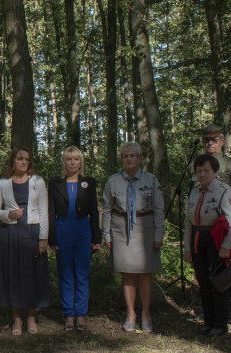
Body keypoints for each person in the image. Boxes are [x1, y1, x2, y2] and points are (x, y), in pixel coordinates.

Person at [102, 142, 165, 333]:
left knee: (145, 273)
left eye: (132, 156)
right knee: (127, 273)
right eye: (125, 156)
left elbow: (159, 209)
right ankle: (131, 313)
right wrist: (107, 233)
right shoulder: (113, 181)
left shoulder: (151, 180)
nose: (129, 159)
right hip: (120, 228)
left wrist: (158, 233)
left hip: (145, 226)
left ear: (139, 158)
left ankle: (146, 312)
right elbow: (106, 209)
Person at [0, 147, 49, 335]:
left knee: (33, 273)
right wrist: (8, 214)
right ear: (13, 162)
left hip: (32, 231)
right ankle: (16, 318)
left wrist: (43, 238)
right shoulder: (3, 184)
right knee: (12, 274)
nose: (24, 162)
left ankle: (31, 316)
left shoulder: (38, 182)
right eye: (20, 159)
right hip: (10, 233)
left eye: (27, 159)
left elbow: (44, 211)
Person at [184, 154, 231, 336]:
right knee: (202, 281)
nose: (202, 175)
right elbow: (188, 221)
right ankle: (208, 321)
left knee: (218, 281)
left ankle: (220, 323)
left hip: (216, 239)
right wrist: (187, 247)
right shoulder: (194, 190)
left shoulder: (224, 191)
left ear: (216, 172)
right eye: (199, 171)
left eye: (206, 171)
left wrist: (226, 246)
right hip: (197, 237)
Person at [49, 146, 101, 331]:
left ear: (81, 162)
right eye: (69, 159)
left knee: (82, 274)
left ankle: (81, 315)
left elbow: (94, 210)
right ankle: (69, 316)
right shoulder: (55, 182)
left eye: (76, 159)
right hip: (62, 230)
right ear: (64, 162)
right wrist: (51, 238)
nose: (72, 162)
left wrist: (97, 238)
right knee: (66, 275)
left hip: (83, 231)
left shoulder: (89, 182)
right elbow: (51, 211)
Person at [190, 125, 231, 194]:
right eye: (206, 140)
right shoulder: (194, 166)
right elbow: (187, 194)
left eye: (214, 140)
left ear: (222, 141)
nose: (210, 143)